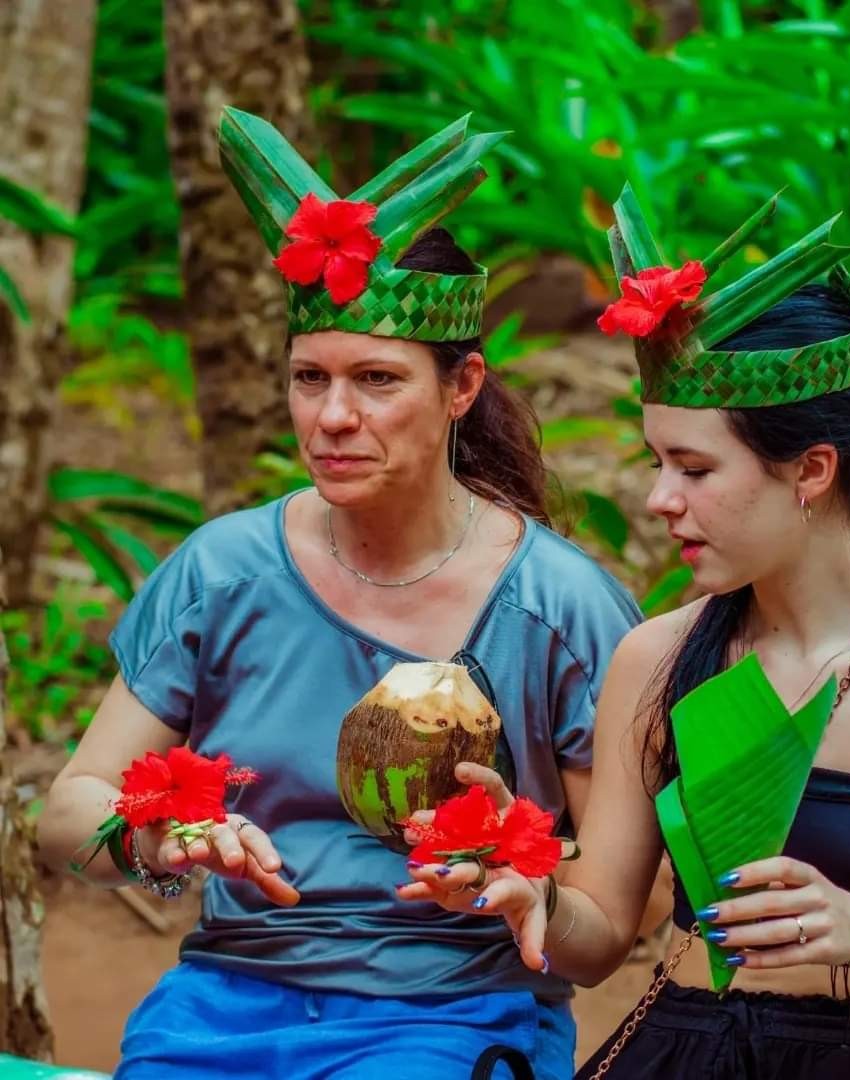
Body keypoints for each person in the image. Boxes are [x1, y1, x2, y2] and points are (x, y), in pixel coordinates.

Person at [400, 188, 850, 1078]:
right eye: (657, 462)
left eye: (694, 468)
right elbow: (599, 938)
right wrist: (533, 896)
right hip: (679, 1049)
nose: (659, 498)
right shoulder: (658, 657)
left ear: (812, 470)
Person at [38, 109, 640, 1080]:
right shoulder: (223, 573)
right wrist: (160, 836)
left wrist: (533, 892)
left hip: (452, 1014)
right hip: (223, 1004)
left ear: (461, 387)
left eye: (376, 379)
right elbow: (68, 814)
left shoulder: (559, 607)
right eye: (308, 378)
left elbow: (616, 923)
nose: (333, 416)